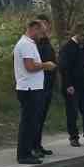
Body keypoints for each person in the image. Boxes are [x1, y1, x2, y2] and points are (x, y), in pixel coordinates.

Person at [13, 19, 56, 164]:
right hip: (28, 89)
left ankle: (29, 150)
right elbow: (29, 66)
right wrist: (46, 65)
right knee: (28, 122)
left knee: (32, 122)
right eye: (41, 32)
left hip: (34, 88)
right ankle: (23, 154)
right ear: (33, 28)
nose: (42, 35)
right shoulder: (25, 44)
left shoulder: (30, 44)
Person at [33, 14, 57, 156]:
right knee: (35, 117)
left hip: (48, 84)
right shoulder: (33, 43)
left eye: (45, 24)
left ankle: (38, 144)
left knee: (41, 117)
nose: (42, 28)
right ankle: (32, 146)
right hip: (38, 85)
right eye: (40, 25)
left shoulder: (46, 42)